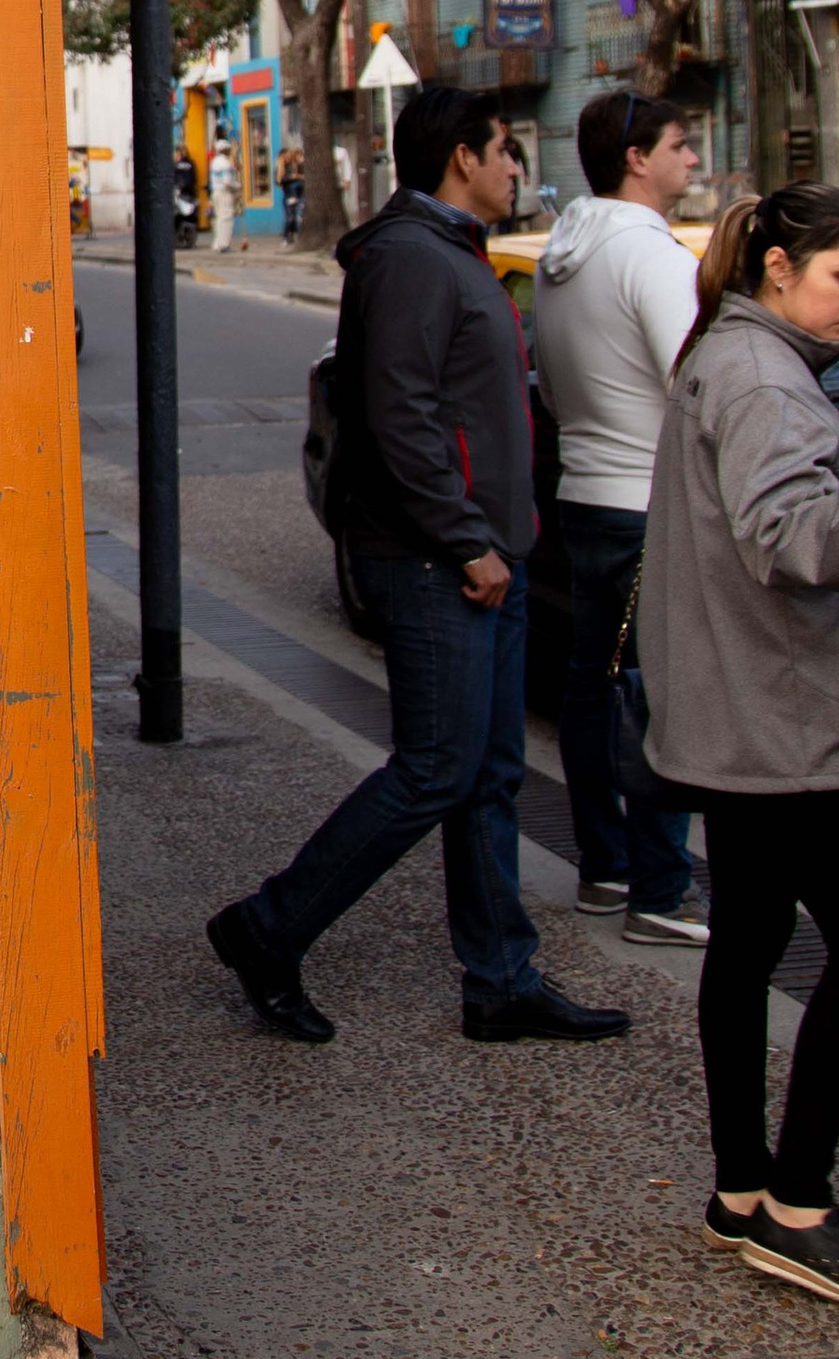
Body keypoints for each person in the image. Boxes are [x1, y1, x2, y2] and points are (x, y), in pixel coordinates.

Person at [207, 84, 631, 1046]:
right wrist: (466, 539)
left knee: (487, 774)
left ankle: (502, 980)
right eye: (506, 150)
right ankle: (267, 928)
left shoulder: (451, 251)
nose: (517, 167)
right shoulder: (409, 258)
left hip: (488, 554)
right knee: (436, 769)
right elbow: (402, 415)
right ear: (462, 159)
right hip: (441, 561)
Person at [644, 185, 839, 1315]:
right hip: (776, 721)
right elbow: (794, 545)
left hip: (734, 710)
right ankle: (798, 1206)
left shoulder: (730, 352)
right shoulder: (763, 377)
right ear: (779, 268)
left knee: (750, 939)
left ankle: (740, 1189)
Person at [532, 90, 706, 947]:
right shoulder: (652, 255)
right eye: (681, 144)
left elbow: (552, 391)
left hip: (585, 494)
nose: (693, 158)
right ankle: (661, 892)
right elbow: (698, 387)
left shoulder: (559, 255)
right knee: (656, 696)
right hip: (647, 504)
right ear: (637, 158)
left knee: (593, 688)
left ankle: (604, 868)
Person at [209, 133, 239, 253]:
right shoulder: (225, 163)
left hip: (216, 191)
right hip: (224, 193)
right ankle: (224, 244)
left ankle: (217, 243)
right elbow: (227, 181)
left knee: (219, 218)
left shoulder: (214, 162)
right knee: (226, 217)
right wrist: (238, 186)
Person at [277, 141, 306, 244]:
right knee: (290, 216)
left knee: (297, 216)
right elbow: (280, 181)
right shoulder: (281, 169)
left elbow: (302, 175)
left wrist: (297, 176)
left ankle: (293, 235)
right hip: (289, 194)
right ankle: (286, 237)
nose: (288, 158)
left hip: (298, 193)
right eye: (286, 156)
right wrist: (292, 177)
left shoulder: (295, 166)